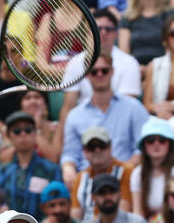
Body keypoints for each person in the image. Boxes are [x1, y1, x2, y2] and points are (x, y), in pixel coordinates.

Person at [60, 54, 150, 184]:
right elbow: (70, 154)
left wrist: (122, 172)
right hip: (88, 181)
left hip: (126, 179)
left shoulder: (134, 108)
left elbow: (143, 148)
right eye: (94, 72)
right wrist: (68, 169)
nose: (100, 75)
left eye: (104, 70)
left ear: (112, 71)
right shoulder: (75, 116)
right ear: (87, 75)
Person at [0, 111, 60, 220]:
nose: (23, 134)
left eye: (28, 130)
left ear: (35, 133)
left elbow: (59, 202)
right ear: (9, 136)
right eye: (17, 131)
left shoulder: (51, 169)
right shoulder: (1, 171)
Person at [131, 118, 174, 222]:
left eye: (162, 140)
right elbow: (137, 212)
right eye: (151, 140)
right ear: (144, 145)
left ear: (169, 144)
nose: (156, 144)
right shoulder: (137, 173)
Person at [117, 0, 174, 67]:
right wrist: (138, 69)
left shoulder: (171, 15)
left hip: (165, 69)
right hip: (135, 70)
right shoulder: (127, 17)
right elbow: (124, 55)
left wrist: (153, 70)